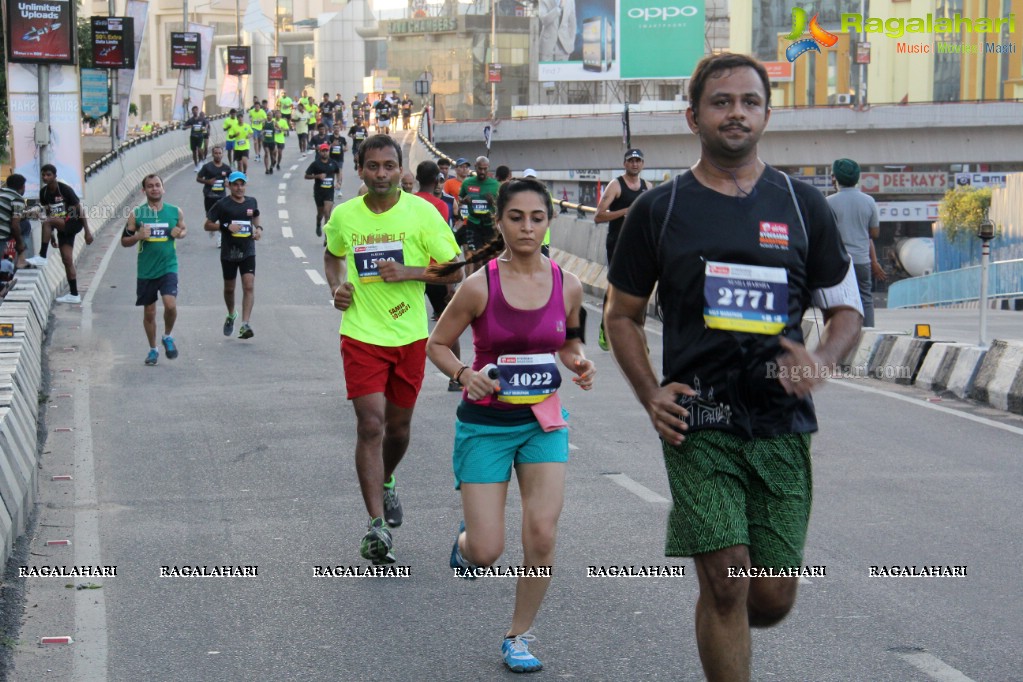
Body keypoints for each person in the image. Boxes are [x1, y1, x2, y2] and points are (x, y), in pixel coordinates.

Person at [604, 53, 863, 682]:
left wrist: (823, 359)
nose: (737, 113)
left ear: (767, 114)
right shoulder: (659, 210)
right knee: (725, 582)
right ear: (693, 115)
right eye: (722, 102)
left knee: (769, 598)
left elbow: (848, 309)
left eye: (749, 101)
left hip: (780, 423)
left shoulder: (804, 206)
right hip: (699, 422)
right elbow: (620, 316)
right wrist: (650, 393)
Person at [425, 178, 595, 674]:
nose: (526, 227)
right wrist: (463, 374)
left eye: (536, 218)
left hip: (542, 421)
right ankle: (466, 543)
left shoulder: (569, 283)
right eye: (516, 217)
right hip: (486, 425)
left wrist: (580, 362)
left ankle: (518, 635)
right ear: (498, 222)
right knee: (486, 551)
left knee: (541, 534)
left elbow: (571, 340)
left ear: (548, 222)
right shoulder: (480, 286)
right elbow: (437, 344)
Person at [322, 135, 462, 565]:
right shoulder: (345, 216)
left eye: (388, 166)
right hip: (361, 335)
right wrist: (336, 288)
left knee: (398, 429)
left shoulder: (422, 212)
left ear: (401, 170)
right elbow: (331, 254)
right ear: (360, 170)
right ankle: (376, 526)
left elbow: (456, 269)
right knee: (371, 424)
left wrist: (409, 272)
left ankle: (387, 480)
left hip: (409, 337)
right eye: (372, 166)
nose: (380, 174)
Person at [121, 174, 187, 365]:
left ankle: (167, 336)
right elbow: (124, 241)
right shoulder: (137, 214)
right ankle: (152, 350)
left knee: (170, 305)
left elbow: (183, 229)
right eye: (150, 186)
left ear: (163, 188)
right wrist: (138, 236)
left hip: (168, 267)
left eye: (157, 185)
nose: (154, 189)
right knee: (149, 313)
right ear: (144, 191)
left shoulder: (175, 211)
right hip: (146, 271)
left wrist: (180, 233)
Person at [594, 148, 649, 350]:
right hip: (617, 243)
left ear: (642, 164)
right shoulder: (616, 185)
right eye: (631, 160)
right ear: (625, 163)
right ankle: (605, 326)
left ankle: (638, 336)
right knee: (616, 287)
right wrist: (626, 211)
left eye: (638, 160)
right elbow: (598, 216)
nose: (634, 164)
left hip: (640, 244)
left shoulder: (647, 186)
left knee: (641, 288)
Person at [827, 158, 885, 328]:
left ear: (835, 179)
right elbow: (874, 233)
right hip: (861, 260)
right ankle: (868, 331)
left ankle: (839, 334)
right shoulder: (868, 201)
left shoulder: (829, 202)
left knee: (838, 300)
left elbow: (824, 233)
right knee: (865, 297)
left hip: (838, 261)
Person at [204, 171, 262, 339]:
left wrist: (258, 230)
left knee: (248, 285)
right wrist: (225, 227)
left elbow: (256, 216)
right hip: (229, 252)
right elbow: (207, 225)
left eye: (242, 184)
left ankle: (245, 324)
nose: (239, 188)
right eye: (235, 184)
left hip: (248, 250)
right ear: (229, 185)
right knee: (230, 289)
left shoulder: (251, 202)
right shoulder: (222, 204)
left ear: (245, 185)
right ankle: (231, 314)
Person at [27, 165, 94, 302]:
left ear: (55, 176)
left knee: (47, 222)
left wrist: (87, 231)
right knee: (67, 259)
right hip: (61, 226)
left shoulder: (64, 190)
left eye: (49, 175)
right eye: (43, 175)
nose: (46, 177)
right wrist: (50, 235)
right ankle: (74, 294)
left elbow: (79, 210)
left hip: (74, 222)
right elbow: (48, 213)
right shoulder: (44, 193)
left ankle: (42, 256)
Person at [458, 156, 500, 269]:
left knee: (490, 259)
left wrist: (493, 202)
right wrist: (464, 200)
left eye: (485, 169)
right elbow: (460, 199)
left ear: (488, 168)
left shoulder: (495, 185)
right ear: (475, 167)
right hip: (473, 224)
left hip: (489, 225)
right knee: (477, 260)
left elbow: (502, 206)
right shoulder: (467, 183)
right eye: (480, 169)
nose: (482, 172)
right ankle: (479, 283)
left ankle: (489, 283)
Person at [196, 145, 232, 248]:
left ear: (222, 154)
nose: (218, 155)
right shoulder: (207, 167)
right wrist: (207, 181)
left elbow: (232, 181)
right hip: (209, 195)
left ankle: (220, 239)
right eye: (216, 153)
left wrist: (228, 184)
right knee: (210, 216)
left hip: (221, 196)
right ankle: (212, 227)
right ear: (212, 154)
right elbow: (198, 178)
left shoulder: (226, 168)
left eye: (220, 153)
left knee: (223, 217)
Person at [305, 144, 341, 238]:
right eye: (323, 151)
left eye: (326, 151)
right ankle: (318, 224)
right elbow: (306, 175)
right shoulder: (316, 164)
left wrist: (339, 182)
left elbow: (338, 172)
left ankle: (327, 236)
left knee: (327, 213)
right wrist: (317, 176)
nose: (325, 153)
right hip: (319, 192)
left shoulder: (333, 163)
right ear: (319, 152)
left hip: (329, 192)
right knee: (320, 213)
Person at [0, 174, 28, 270]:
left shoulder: (1, 192)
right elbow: (15, 225)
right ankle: (21, 258)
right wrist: (20, 243)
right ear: (22, 187)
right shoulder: (17, 199)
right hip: (1, 234)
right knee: (25, 225)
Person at [185, 106, 209, 171]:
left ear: (197, 111)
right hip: (193, 137)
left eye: (196, 110)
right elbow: (184, 127)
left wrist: (205, 129)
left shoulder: (201, 119)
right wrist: (189, 126)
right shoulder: (191, 120)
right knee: (194, 152)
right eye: (194, 110)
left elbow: (206, 124)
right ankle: (196, 165)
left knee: (199, 150)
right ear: (192, 112)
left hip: (200, 137)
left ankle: (201, 161)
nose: (195, 111)